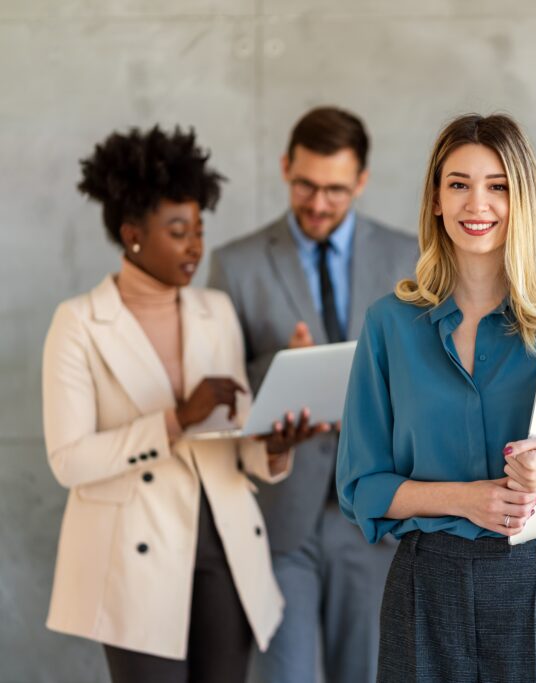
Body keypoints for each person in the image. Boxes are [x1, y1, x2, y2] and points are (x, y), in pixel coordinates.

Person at [336, 113, 536, 682]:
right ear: (436, 199)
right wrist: (465, 499)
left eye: (497, 186)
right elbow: (361, 485)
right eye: (458, 184)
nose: (476, 204)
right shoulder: (389, 325)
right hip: (423, 588)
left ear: (521, 198)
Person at [42, 126, 325, 683]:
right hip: (134, 560)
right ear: (132, 236)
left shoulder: (214, 310)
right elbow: (68, 461)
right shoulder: (77, 323)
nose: (195, 245)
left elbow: (231, 445)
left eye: (198, 229)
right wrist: (175, 418)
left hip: (225, 548)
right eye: (177, 231)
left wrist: (272, 448)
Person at [208, 106, 418, 683]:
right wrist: (278, 366)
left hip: (375, 511)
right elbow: (216, 390)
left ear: (362, 182)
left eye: (335, 189)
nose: (319, 203)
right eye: (305, 185)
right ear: (284, 167)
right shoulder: (237, 263)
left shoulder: (411, 257)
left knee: (372, 672)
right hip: (280, 515)